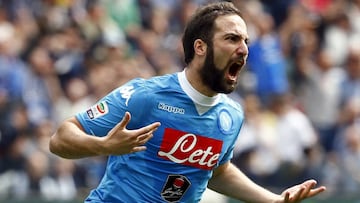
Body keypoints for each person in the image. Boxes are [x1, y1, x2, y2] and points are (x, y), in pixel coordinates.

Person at [49, 2, 326, 203]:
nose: (243, 49)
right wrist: (103, 145)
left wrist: (273, 200)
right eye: (231, 39)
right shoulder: (146, 96)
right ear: (200, 47)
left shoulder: (231, 115)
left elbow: (216, 171)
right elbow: (61, 138)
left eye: (245, 40)